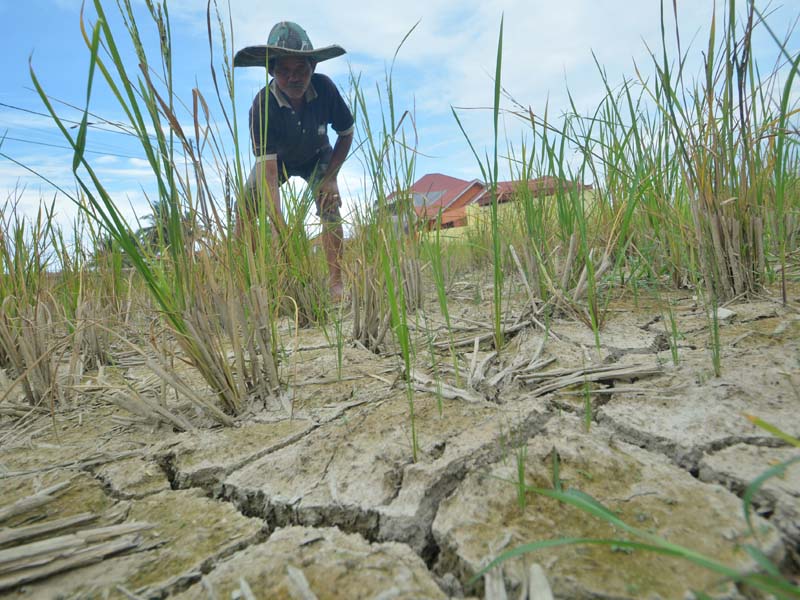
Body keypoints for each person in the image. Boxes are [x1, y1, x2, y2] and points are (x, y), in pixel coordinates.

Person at [234, 22, 354, 300]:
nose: (294, 78)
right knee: (245, 209)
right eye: (283, 72)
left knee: (330, 206)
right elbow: (269, 175)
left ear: (313, 67)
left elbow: (345, 133)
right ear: (271, 72)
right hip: (278, 162)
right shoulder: (262, 105)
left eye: (301, 70)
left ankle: (336, 283)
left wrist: (331, 178)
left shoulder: (325, 89)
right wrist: (279, 224)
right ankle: (245, 282)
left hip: (317, 156)